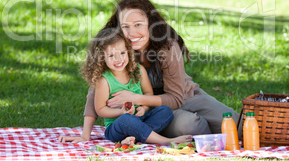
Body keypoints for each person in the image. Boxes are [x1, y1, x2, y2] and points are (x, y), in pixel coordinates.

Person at [59, 0, 241, 143]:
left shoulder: (167, 48)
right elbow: (96, 90)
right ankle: (210, 141)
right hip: (149, 110)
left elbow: (176, 99)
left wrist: (135, 98)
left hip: (184, 97)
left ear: (151, 23)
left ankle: (217, 136)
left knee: (235, 123)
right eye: (125, 27)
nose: (132, 34)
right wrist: (85, 135)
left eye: (138, 24)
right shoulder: (120, 52)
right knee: (189, 125)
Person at [59, 28, 192, 144]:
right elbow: (100, 109)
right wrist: (121, 112)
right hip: (117, 127)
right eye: (111, 55)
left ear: (128, 51)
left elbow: (148, 94)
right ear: (101, 57)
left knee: (165, 111)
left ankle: (134, 137)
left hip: (140, 119)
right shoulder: (104, 80)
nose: (118, 59)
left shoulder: (138, 70)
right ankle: (166, 141)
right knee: (127, 120)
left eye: (122, 53)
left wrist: (144, 109)